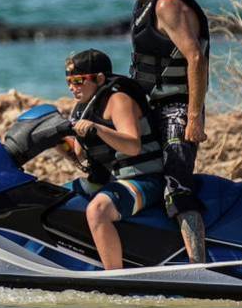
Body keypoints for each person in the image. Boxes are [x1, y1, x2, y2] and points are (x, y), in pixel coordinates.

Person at [115, 0, 210, 263]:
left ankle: (200, 266)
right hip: (151, 108)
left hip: (177, 111)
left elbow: (195, 57)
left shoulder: (167, 4)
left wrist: (194, 117)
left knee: (175, 185)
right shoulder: (144, 0)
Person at [60, 49, 164, 270]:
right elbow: (78, 154)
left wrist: (96, 128)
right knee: (56, 197)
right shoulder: (82, 108)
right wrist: (57, 143)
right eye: (69, 81)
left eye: (78, 81)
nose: (72, 87)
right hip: (113, 180)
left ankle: (115, 276)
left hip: (145, 179)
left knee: (97, 210)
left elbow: (133, 145)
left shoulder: (119, 100)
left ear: (98, 79)